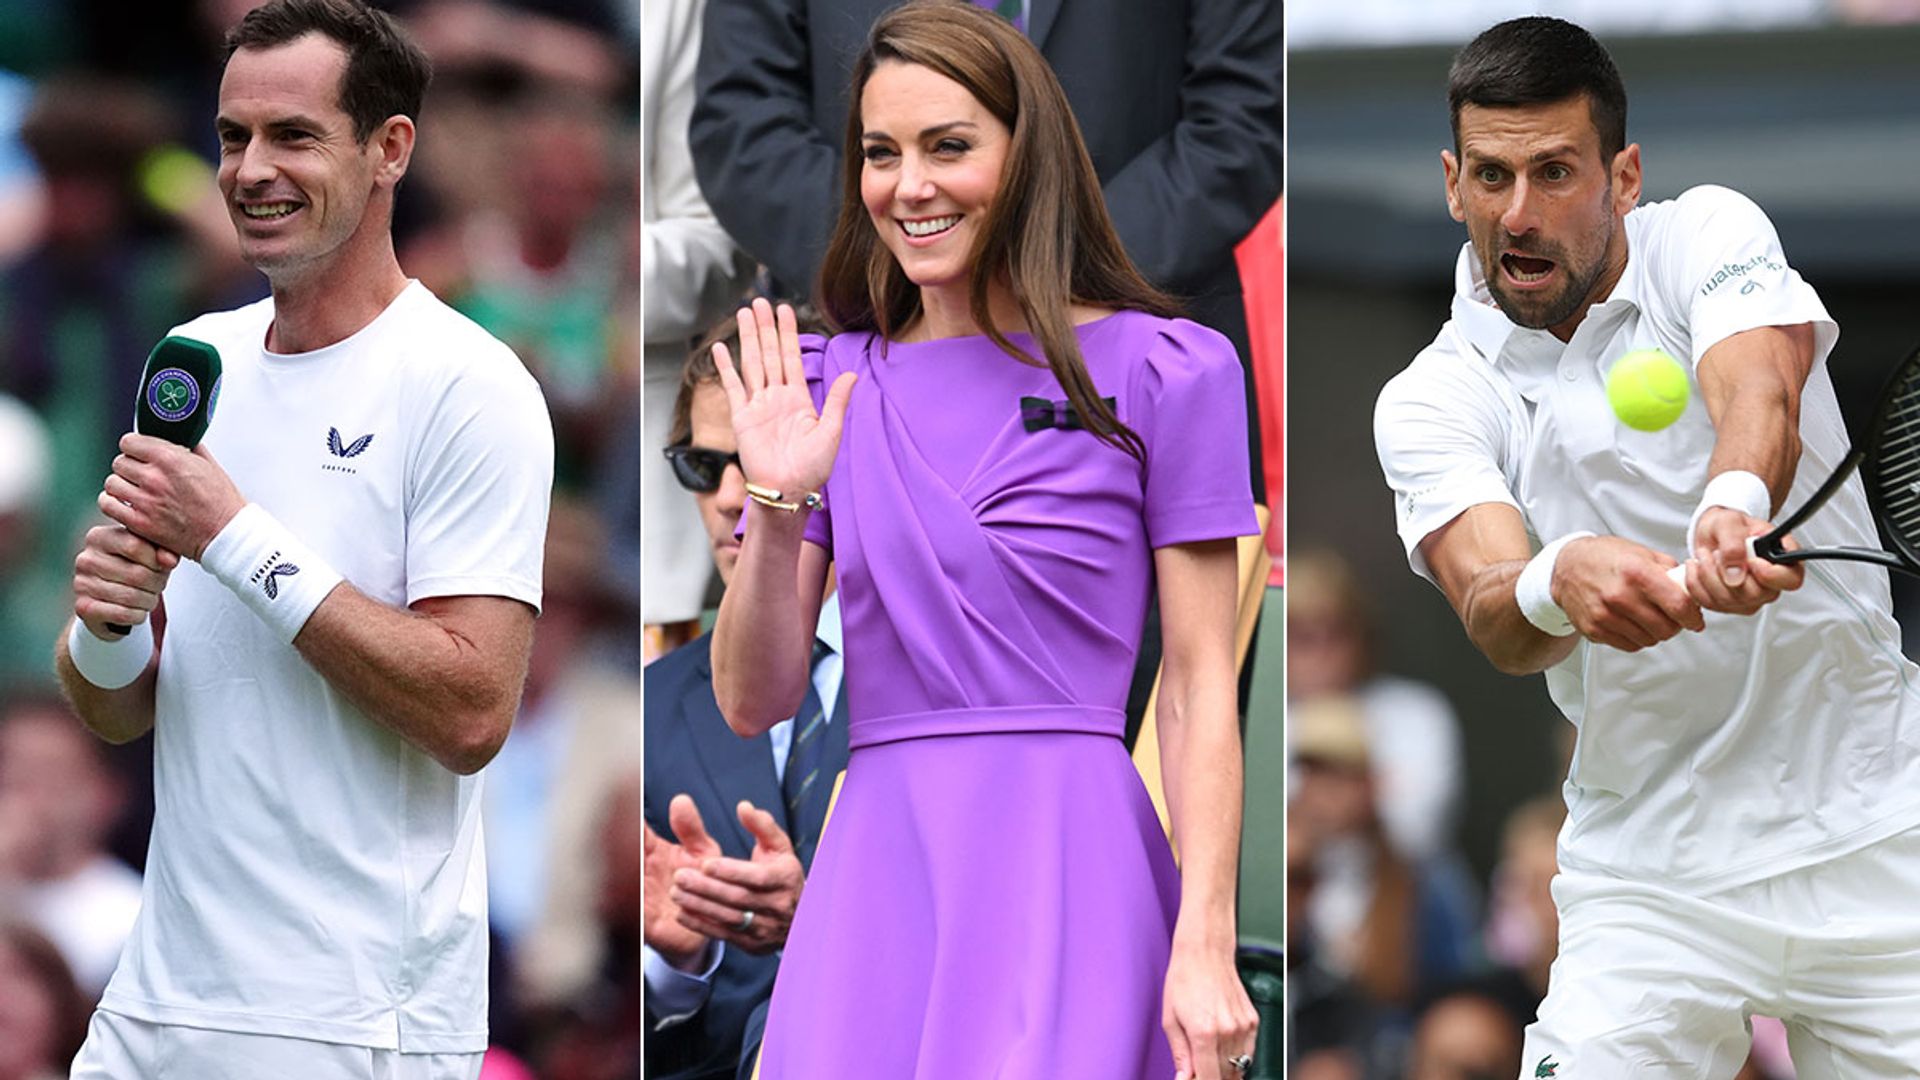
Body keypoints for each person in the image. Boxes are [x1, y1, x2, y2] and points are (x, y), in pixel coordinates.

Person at [707, 4, 1259, 1076]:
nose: (908, 186)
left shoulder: (1168, 371)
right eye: (880, 153)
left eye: (949, 147)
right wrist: (776, 509)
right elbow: (753, 698)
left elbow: (1196, 688)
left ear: (1028, 159)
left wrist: (1205, 938)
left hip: (1075, 875)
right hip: (877, 888)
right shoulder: (831, 384)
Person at [1374, 16, 1920, 1078]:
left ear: (1623, 175)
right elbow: (1489, 602)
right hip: (1650, 880)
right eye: (1490, 175)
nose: (1518, 214)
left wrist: (1730, 498)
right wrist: (1551, 579)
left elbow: (1759, 383)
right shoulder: (1431, 398)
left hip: (1880, 835)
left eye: (1554, 172)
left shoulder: (1706, 234)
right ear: (1451, 182)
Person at [53, 2, 553, 1077]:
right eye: (233, 137)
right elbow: (115, 706)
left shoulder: (469, 386)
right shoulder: (193, 356)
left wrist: (231, 537)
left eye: (292, 135)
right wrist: (107, 626)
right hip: (154, 1003)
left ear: (391, 150)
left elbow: (473, 710)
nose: (249, 170)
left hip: (352, 1021)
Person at [642, 319, 850, 1080]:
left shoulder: (947, 680)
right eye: (706, 465)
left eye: (760, 460)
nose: (735, 495)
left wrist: (824, 921)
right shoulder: (652, 703)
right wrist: (676, 963)